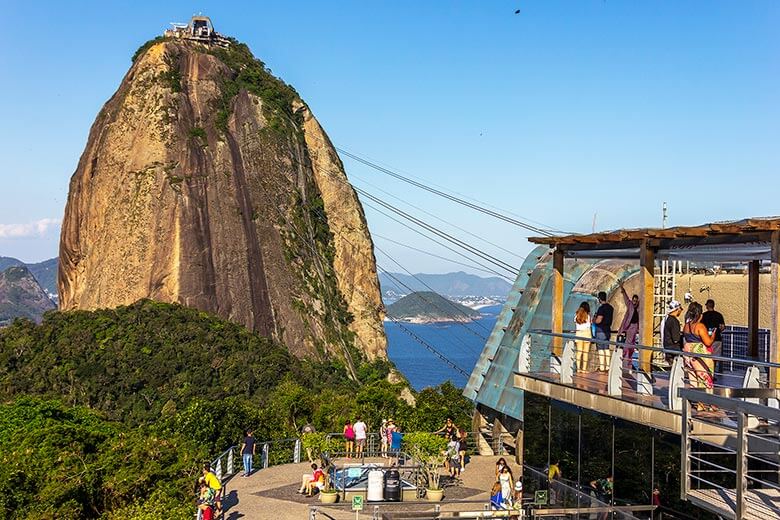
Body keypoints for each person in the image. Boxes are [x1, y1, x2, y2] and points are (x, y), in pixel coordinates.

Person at [683, 302, 718, 399]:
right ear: (700, 314)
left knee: (693, 378)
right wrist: (713, 335)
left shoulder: (686, 326)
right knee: (705, 378)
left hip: (688, 353)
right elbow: (708, 342)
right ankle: (703, 403)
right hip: (699, 354)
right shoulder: (700, 326)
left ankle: (695, 399)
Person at [617, 282, 640, 369]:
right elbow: (625, 297)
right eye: (633, 300)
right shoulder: (630, 305)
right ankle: (625, 357)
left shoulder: (639, 307)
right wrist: (622, 288)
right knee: (628, 342)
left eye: (636, 301)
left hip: (634, 326)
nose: (634, 302)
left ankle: (628, 359)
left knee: (631, 342)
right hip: (628, 325)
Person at [701, 299, 725, 375]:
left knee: (706, 357)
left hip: (705, 339)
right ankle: (712, 373)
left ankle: (707, 373)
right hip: (717, 339)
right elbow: (722, 327)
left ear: (707, 306)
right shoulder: (719, 315)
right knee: (714, 359)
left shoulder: (703, 316)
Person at [593, 291, 614, 371]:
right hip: (607, 330)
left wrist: (594, 320)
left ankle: (602, 367)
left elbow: (599, 320)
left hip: (600, 331)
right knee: (606, 348)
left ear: (600, 299)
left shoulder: (601, 308)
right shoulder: (610, 308)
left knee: (601, 349)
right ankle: (608, 366)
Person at [574, 302, 592, 373]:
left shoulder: (576, 315)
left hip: (579, 334)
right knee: (585, 353)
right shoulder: (588, 316)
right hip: (587, 334)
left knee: (579, 352)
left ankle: (578, 369)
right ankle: (584, 369)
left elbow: (575, 322)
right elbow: (589, 325)